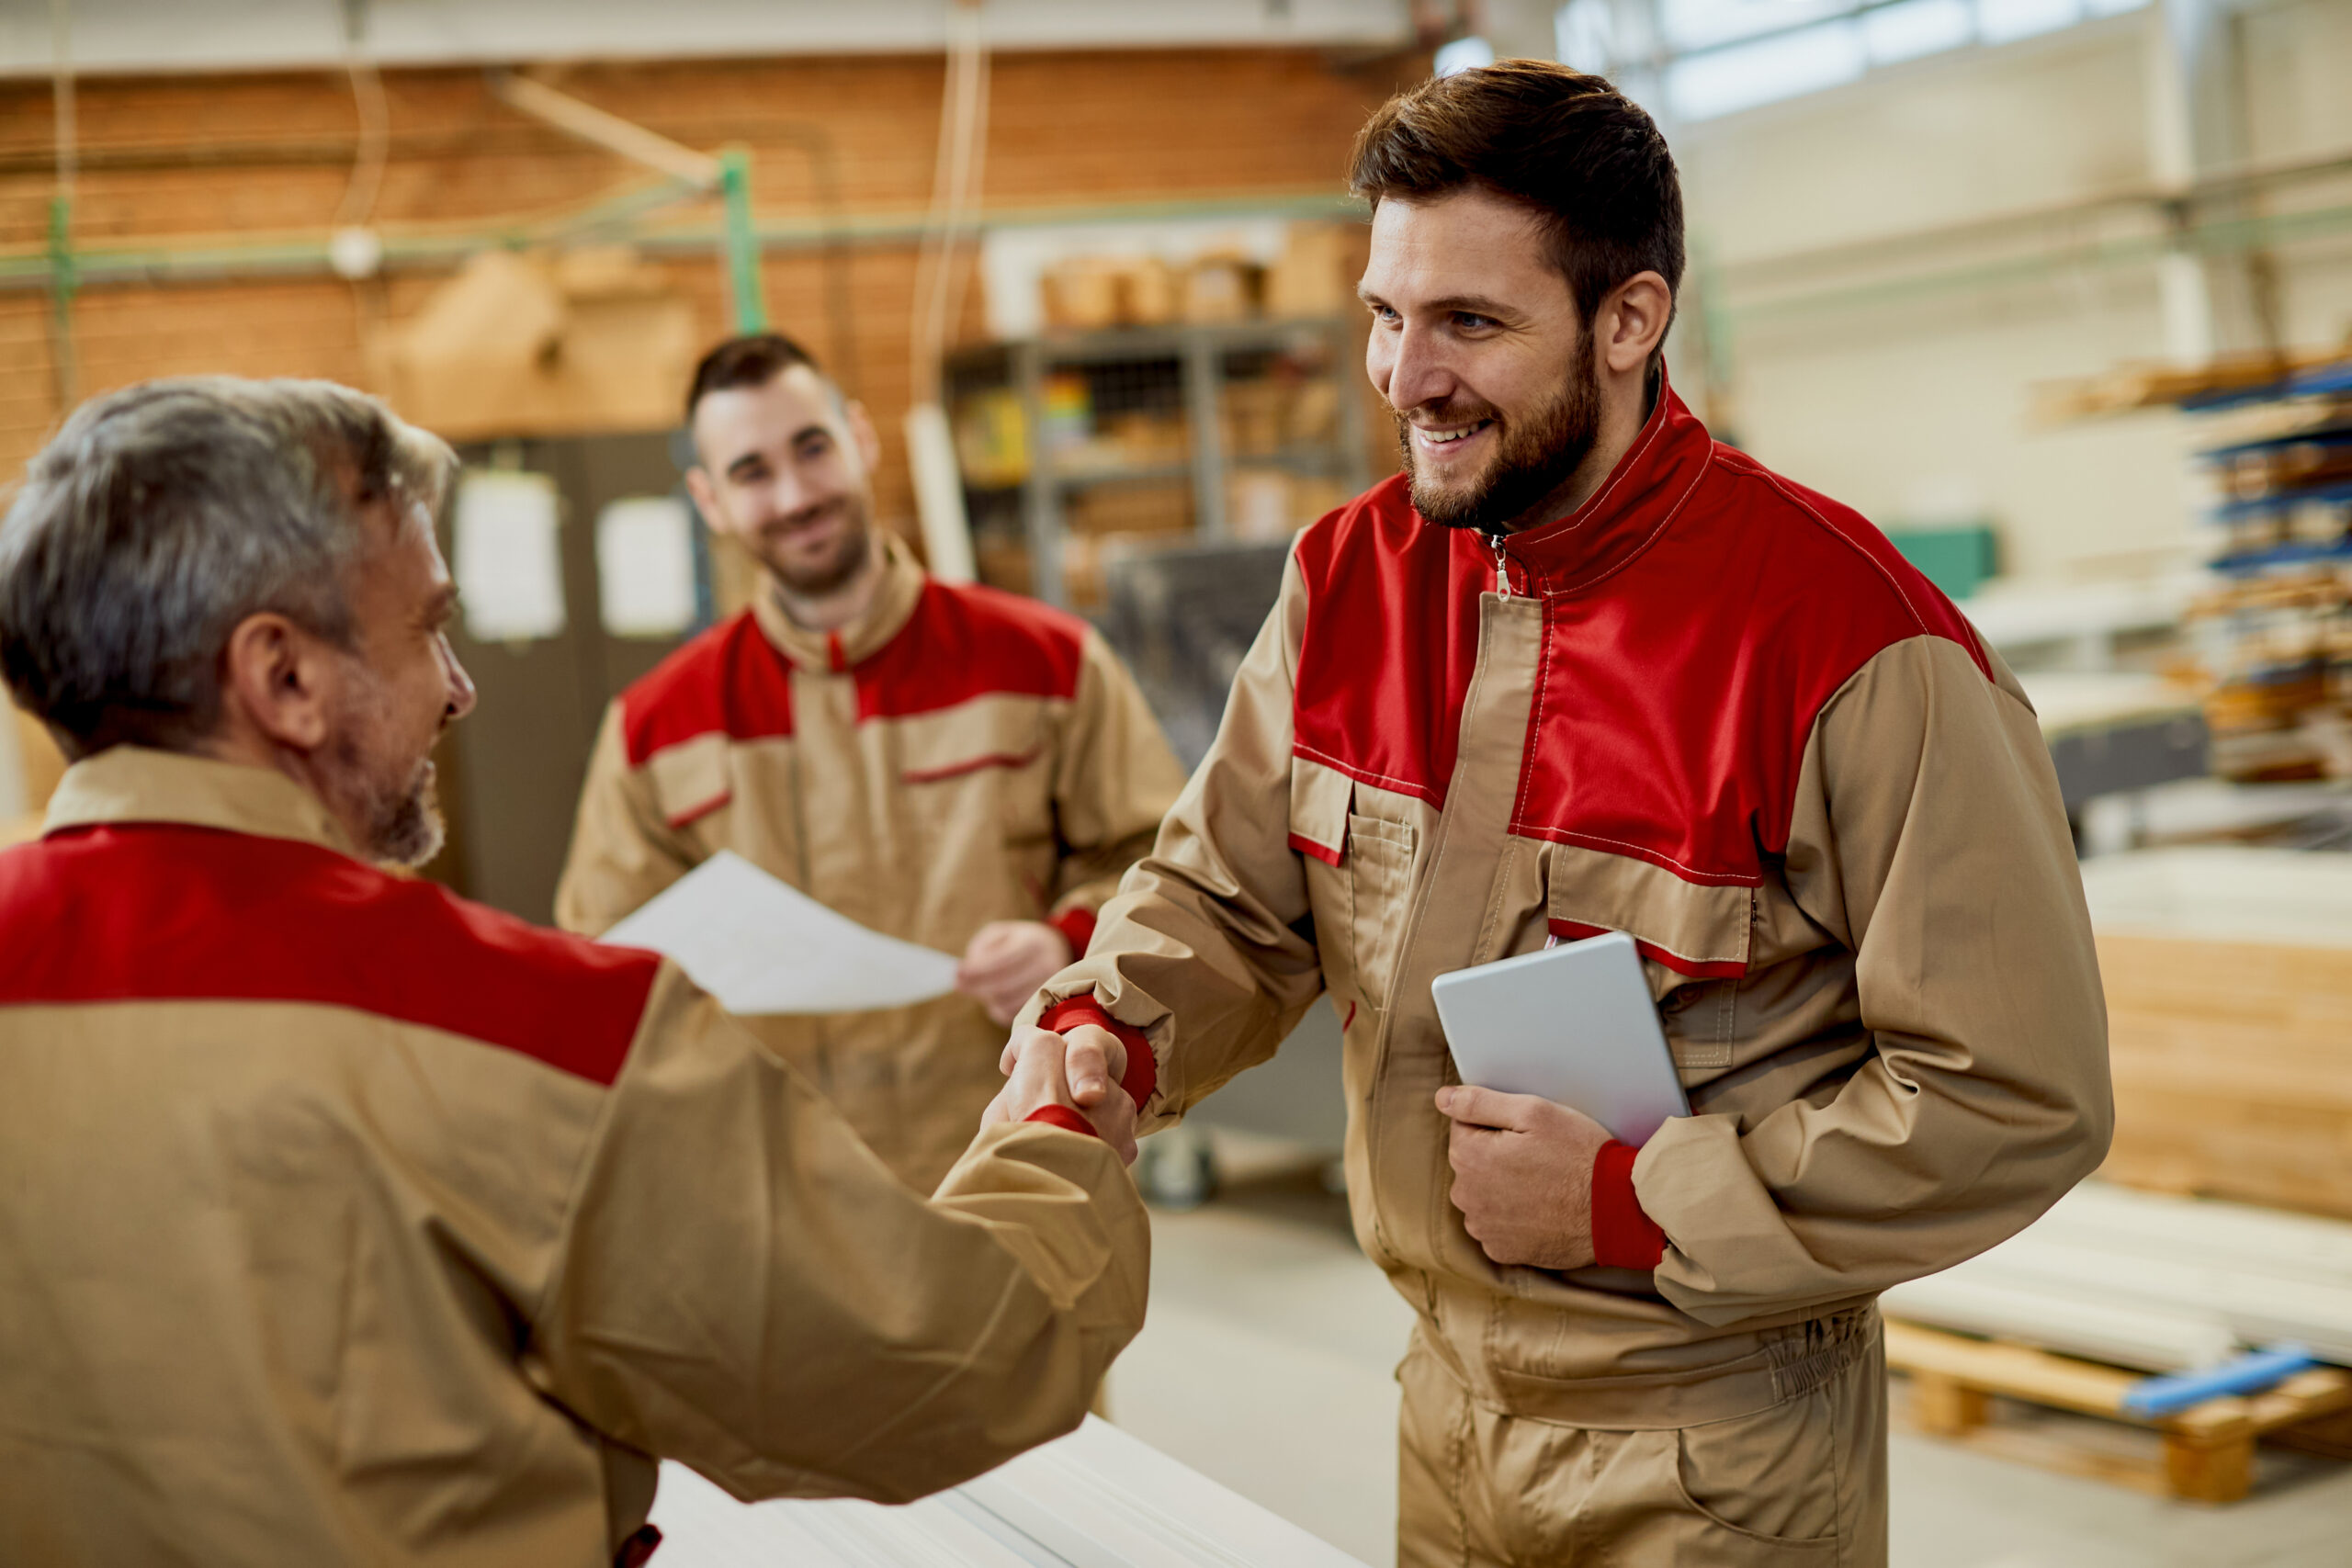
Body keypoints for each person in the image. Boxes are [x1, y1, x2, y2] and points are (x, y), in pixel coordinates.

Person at [1000, 62, 2111, 1565]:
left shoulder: (1847, 643)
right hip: (1443, 1411)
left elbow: (2013, 1093)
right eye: (1386, 313)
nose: (1403, 375)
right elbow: (1227, 897)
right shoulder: (1352, 579)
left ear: (1628, 320)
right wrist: (1113, 1029)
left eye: (1468, 321)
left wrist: (1637, 1202)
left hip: (1716, 1452)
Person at [0, 377, 1152, 1568]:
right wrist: (1061, 1131)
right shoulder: (537, 1031)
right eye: (424, 629)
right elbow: (937, 1361)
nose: (458, 687)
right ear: (283, 679)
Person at [555, 333, 1187, 1192]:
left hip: (1014, 1162)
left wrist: (1064, 937)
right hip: (780, 1194)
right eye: (751, 472)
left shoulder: (1046, 662)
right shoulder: (655, 725)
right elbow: (603, 969)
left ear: (861, 437)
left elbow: (1167, 866)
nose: (794, 495)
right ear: (708, 499)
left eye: (812, 448)